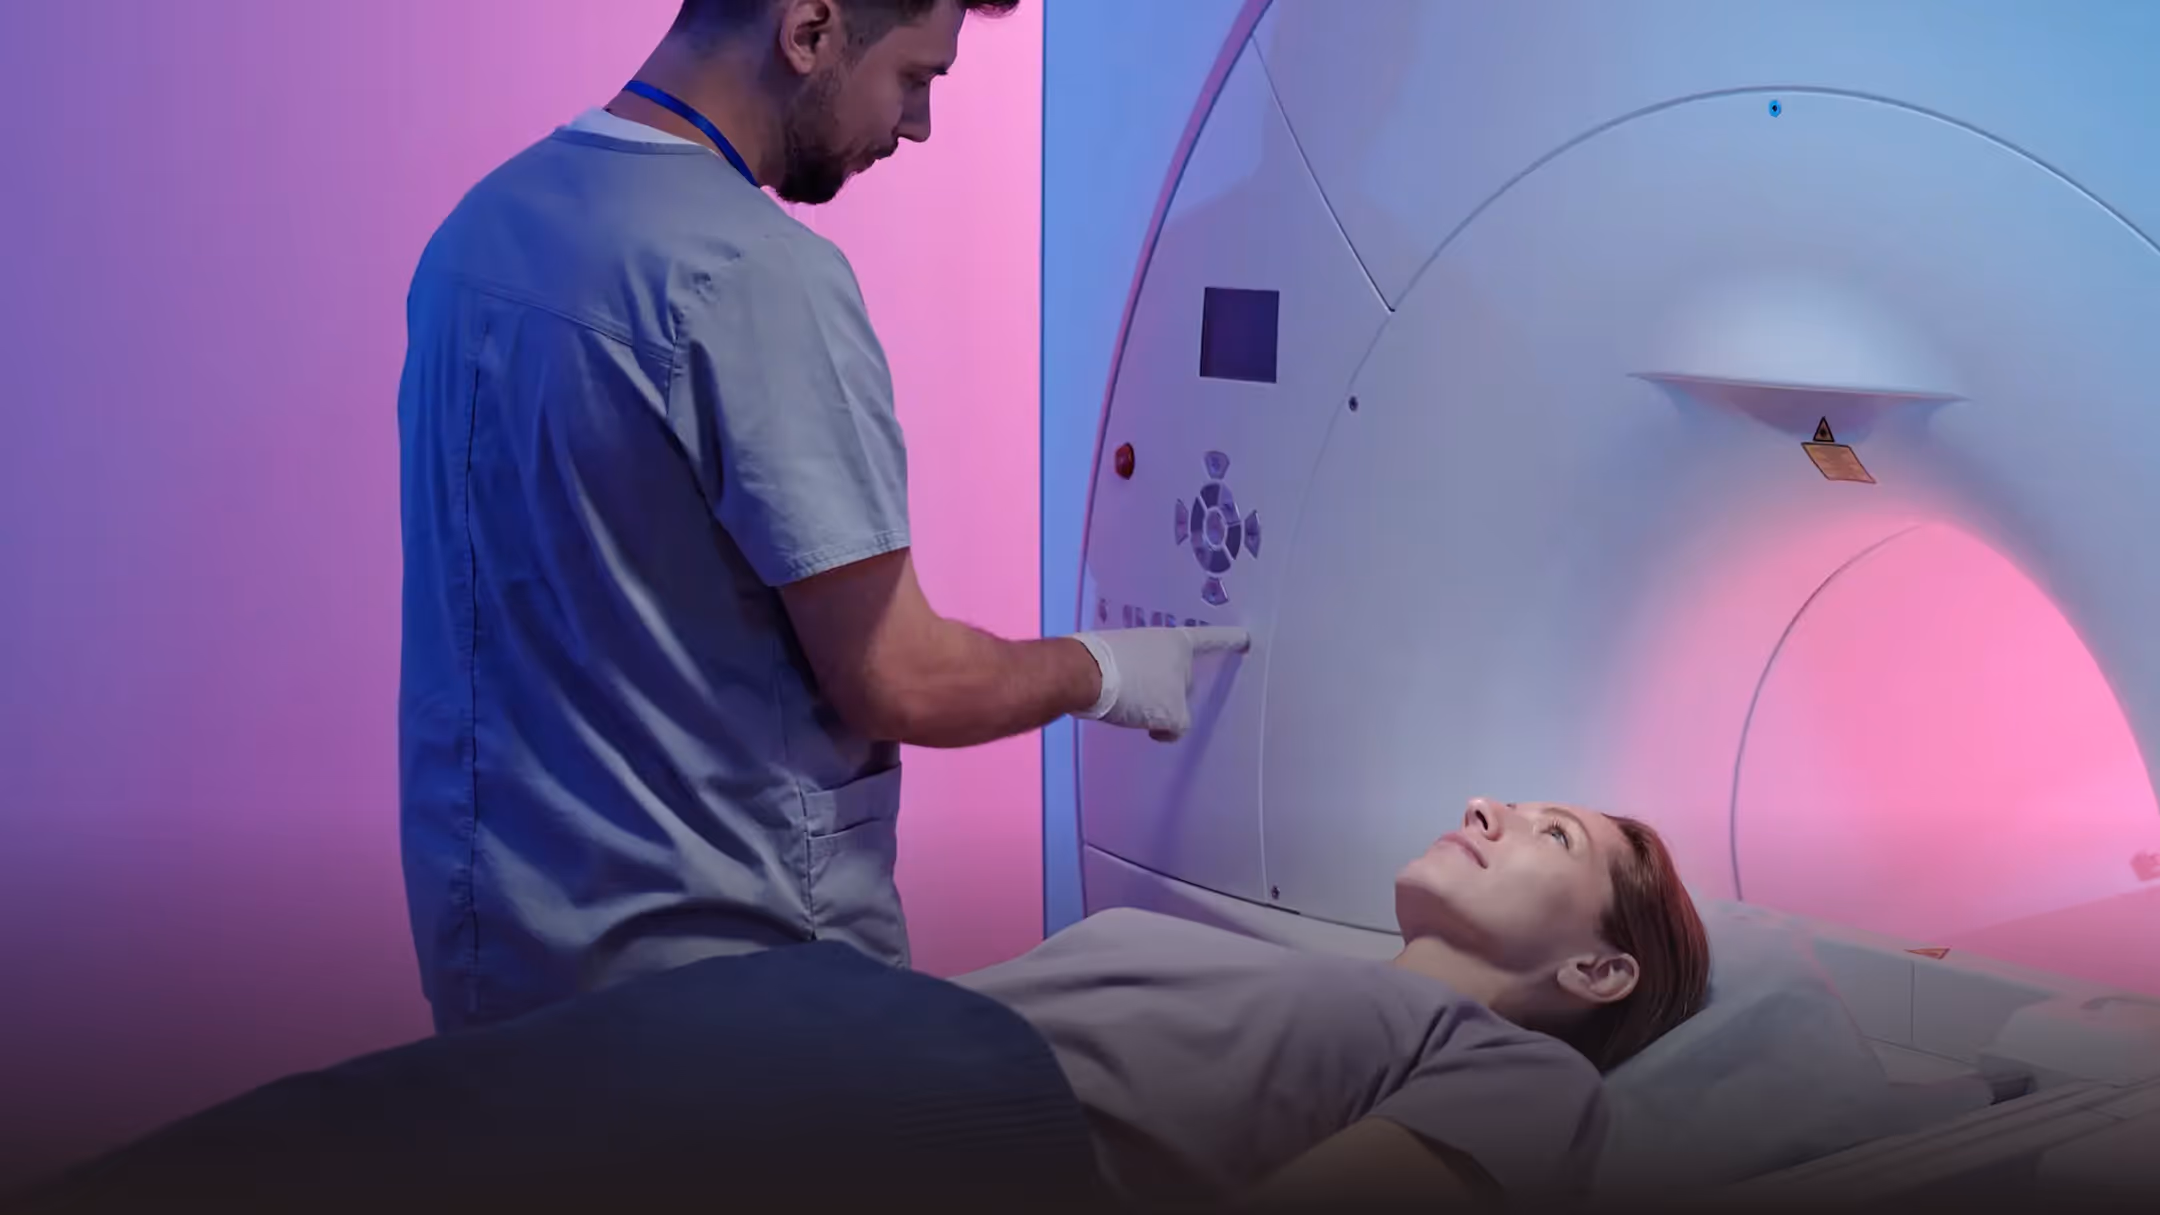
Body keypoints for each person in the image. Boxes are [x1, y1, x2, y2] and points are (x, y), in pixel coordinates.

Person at [396, 0, 1247, 1035]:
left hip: (503, 967)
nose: (921, 123)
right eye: (915, 77)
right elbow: (903, 678)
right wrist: (1109, 670)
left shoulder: (479, 233)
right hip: (730, 996)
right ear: (810, 31)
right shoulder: (751, 276)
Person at [953, 797, 1713, 1209]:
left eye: (1554, 835)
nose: (1484, 807)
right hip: (877, 1024)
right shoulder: (1298, 983)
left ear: (1598, 970)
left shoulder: (1532, 1073)